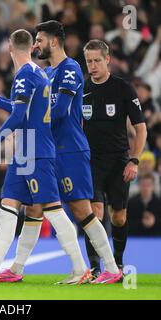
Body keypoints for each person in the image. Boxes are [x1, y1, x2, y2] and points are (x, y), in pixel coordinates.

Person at [0, 21, 122, 284]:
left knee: (80, 210)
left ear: (53, 41)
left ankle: (110, 267)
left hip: (68, 149)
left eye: (39, 40)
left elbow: (59, 111)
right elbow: (31, 111)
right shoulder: (46, 73)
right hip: (46, 147)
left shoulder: (70, 69)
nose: (36, 44)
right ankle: (15, 269)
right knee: (33, 209)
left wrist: (28, 127)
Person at [82, 39, 147, 274]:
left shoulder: (123, 88)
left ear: (107, 59)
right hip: (90, 161)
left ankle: (118, 262)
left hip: (119, 160)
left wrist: (134, 160)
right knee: (94, 214)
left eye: (97, 60)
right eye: (89, 61)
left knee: (118, 217)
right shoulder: (82, 89)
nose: (93, 66)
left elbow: (141, 128)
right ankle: (95, 267)